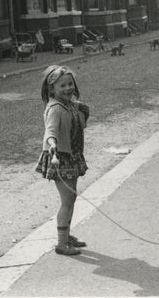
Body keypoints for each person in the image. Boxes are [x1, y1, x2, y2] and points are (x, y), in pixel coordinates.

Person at [37, 65, 90, 256]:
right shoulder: (55, 109)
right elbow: (50, 131)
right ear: (52, 89)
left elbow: (80, 122)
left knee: (71, 198)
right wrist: (52, 144)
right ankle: (61, 243)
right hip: (59, 158)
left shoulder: (68, 105)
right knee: (67, 200)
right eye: (62, 86)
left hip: (71, 156)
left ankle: (66, 235)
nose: (68, 88)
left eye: (70, 84)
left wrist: (80, 107)